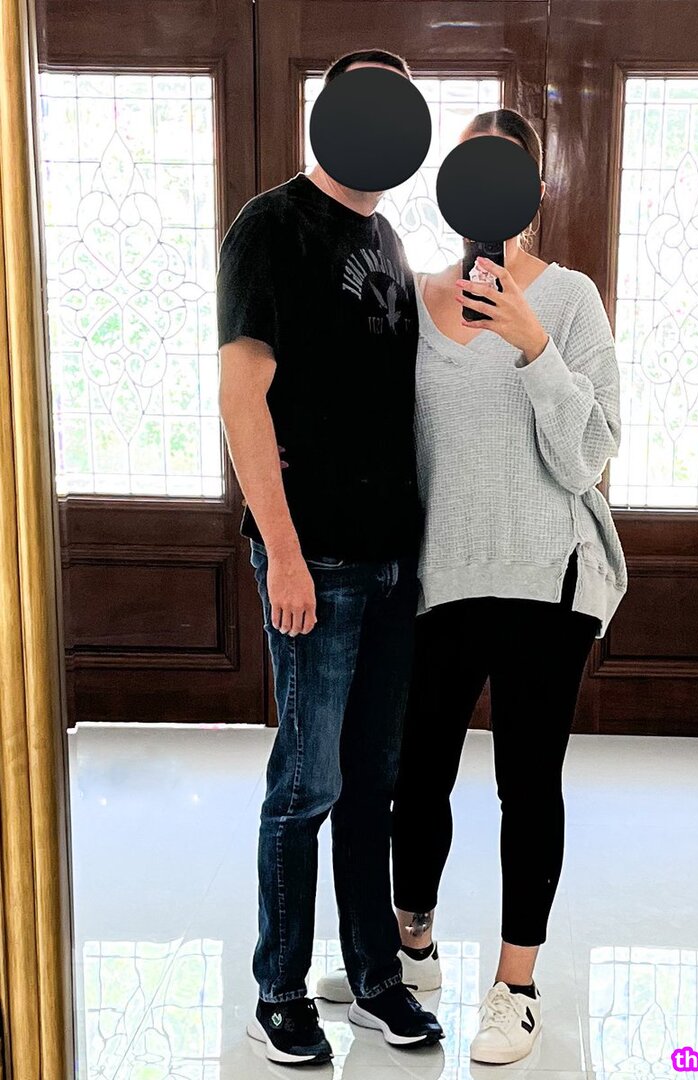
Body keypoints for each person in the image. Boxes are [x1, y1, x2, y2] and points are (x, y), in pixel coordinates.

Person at [316, 107, 628, 1066]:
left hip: (547, 578)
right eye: (469, 171)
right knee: (416, 779)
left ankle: (516, 987)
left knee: (528, 786)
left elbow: (590, 456)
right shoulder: (414, 298)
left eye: (504, 172)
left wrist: (534, 346)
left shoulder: (569, 301)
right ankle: (412, 951)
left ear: (535, 192)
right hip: (439, 577)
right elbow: (394, 440)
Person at [216, 48, 443, 1067]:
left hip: (394, 562)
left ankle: (374, 980)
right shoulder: (271, 227)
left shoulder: (386, 236)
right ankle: (278, 991)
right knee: (303, 786)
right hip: (317, 562)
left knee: (370, 786)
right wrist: (285, 554)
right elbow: (242, 397)